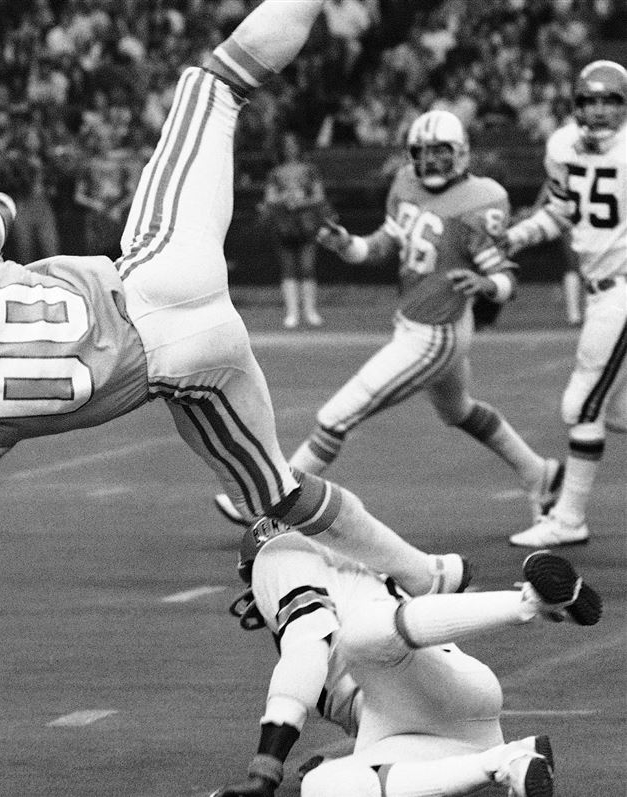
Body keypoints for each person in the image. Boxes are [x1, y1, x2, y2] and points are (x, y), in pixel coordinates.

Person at [0, 0, 470, 709]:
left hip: (184, 368)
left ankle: (428, 573)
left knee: (280, 495)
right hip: (163, 266)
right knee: (217, 82)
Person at [214, 109, 561, 529]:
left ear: (463, 154)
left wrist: (489, 287)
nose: (431, 161)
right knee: (458, 411)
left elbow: (504, 275)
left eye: (441, 152)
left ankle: (272, 505)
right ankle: (538, 474)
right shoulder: (406, 183)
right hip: (422, 322)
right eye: (423, 152)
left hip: (436, 333)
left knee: (335, 416)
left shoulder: (480, 199)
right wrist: (346, 245)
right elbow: (380, 246)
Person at [207, 520, 602, 797]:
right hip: (438, 720)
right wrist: (341, 753)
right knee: (323, 787)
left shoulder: (278, 555)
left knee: (359, 637)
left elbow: (307, 650)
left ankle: (532, 602)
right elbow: (453, 573)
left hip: (427, 691)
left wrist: (265, 770)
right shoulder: (359, 569)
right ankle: (508, 760)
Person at [499, 60, 627, 548]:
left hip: (621, 289)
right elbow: (558, 212)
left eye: (609, 100)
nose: (597, 111)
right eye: (589, 100)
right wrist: (516, 237)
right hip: (601, 291)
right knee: (613, 412)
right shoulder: (561, 146)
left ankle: (570, 518)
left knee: (581, 405)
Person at [259, 131, 330, 328]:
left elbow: (319, 196)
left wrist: (301, 200)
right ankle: (292, 313)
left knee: (307, 267)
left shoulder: (310, 170)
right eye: (287, 144)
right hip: (284, 224)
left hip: (306, 222)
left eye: (293, 144)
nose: (290, 148)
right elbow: (269, 198)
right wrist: (286, 198)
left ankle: (310, 311)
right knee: (288, 268)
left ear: (300, 146)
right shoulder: (275, 172)